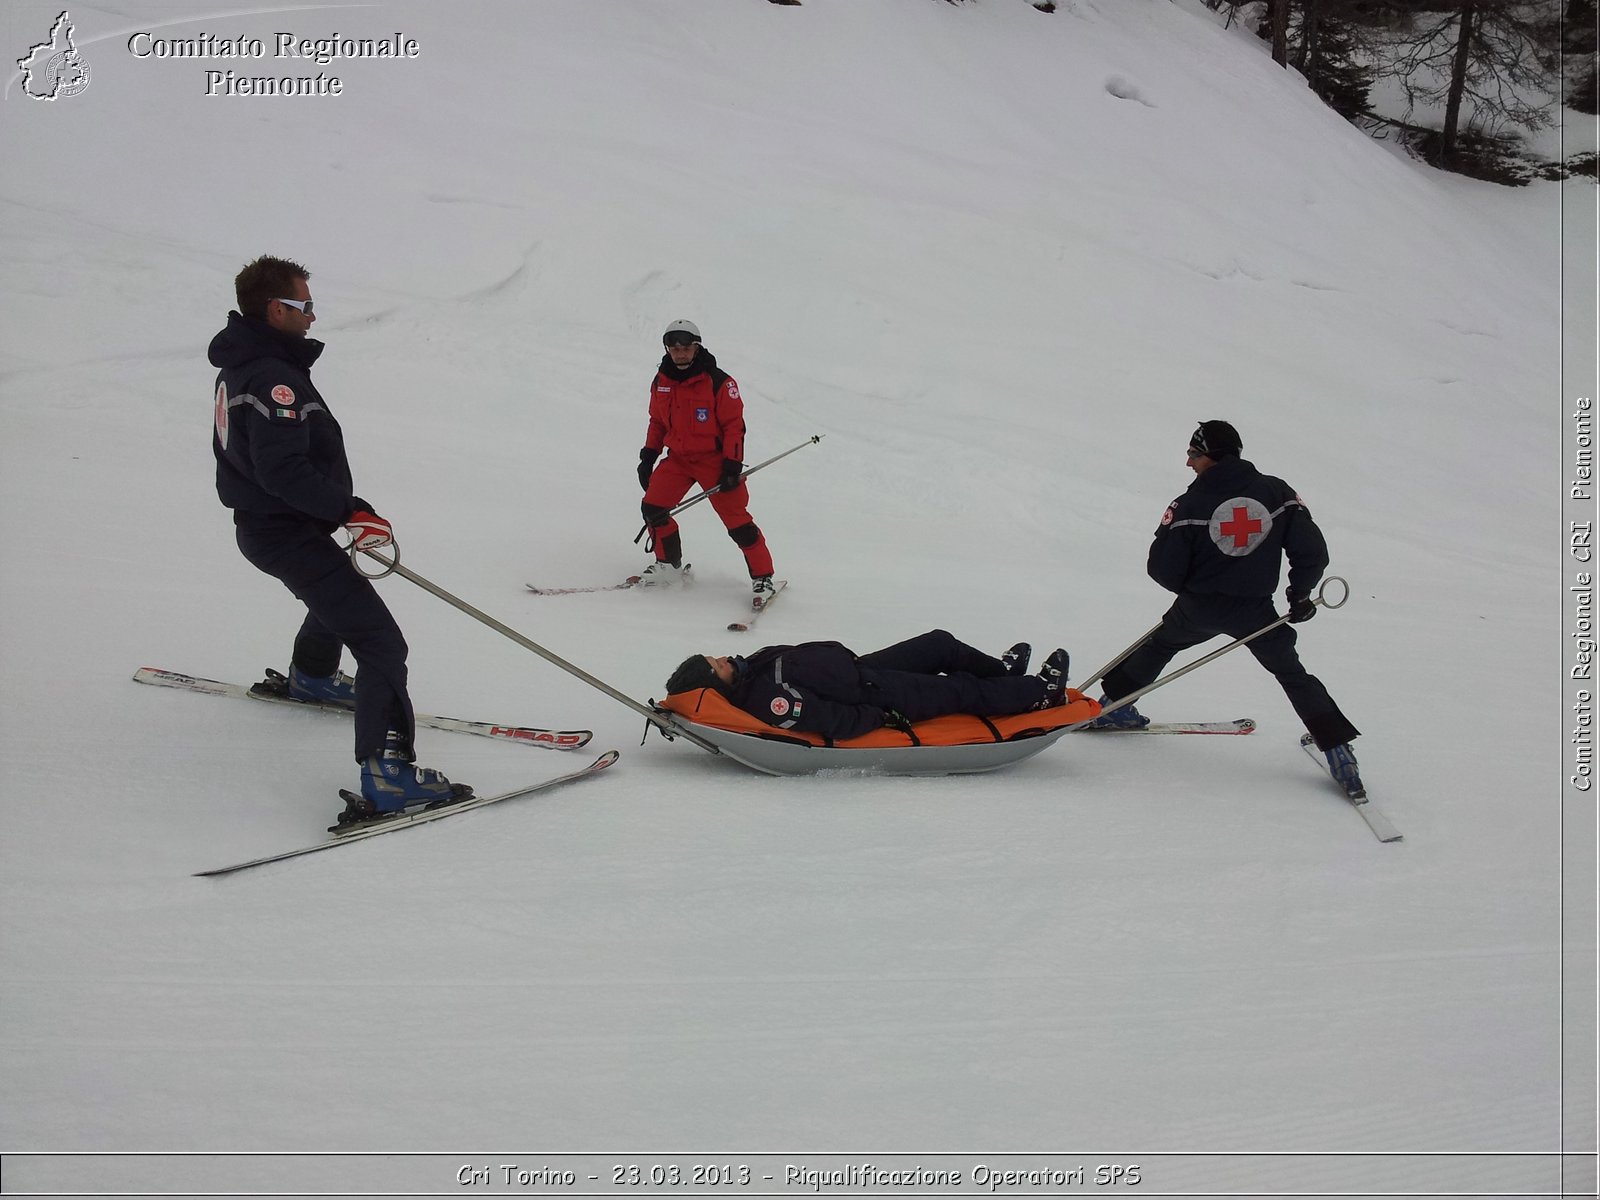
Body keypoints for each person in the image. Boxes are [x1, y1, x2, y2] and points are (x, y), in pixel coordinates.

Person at [210, 255, 469, 820]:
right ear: (275, 309)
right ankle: (389, 776)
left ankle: (314, 675)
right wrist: (349, 510)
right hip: (285, 532)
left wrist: (342, 511)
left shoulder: (246, 364)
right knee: (382, 644)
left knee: (338, 590)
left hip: (277, 529)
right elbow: (280, 471)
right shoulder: (273, 377)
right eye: (304, 306)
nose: (313, 316)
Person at [1089, 420, 1365, 795]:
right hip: (1254, 612)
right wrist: (1299, 595)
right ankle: (1338, 751)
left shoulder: (1188, 504)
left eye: (1193, 454)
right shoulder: (1277, 493)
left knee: (1162, 644)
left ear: (1213, 457)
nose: (1188, 463)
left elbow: (1161, 567)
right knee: (1291, 674)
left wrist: (1194, 592)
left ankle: (1114, 705)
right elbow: (1312, 551)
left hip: (1198, 607)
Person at [665, 631, 1069, 742]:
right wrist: (875, 716)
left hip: (862, 668)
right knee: (958, 690)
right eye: (716, 665)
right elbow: (830, 719)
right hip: (874, 693)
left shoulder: (749, 671)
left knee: (939, 644)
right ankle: (1038, 694)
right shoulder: (766, 699)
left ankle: (1003, 674)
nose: (723, 658)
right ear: (716, 686)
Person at [637, 319, 777, 604]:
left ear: (696, 346)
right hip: (678, 459)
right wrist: (648, 456)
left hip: (714, 461)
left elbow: (734, 426)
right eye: (673, 348)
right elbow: (657, 422)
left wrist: (732, 464)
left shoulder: (719, 382)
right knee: (653, 509)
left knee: (737, 522)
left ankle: (763, 577)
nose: (680, 353)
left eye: (686, 347)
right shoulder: (661, 380)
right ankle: (669, 566)